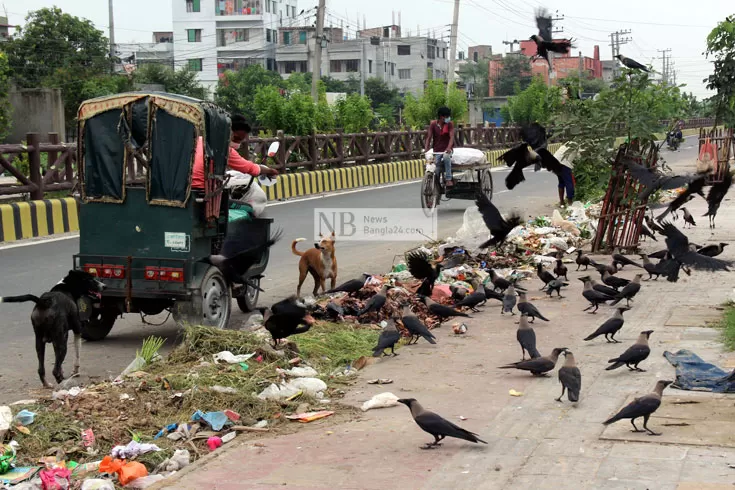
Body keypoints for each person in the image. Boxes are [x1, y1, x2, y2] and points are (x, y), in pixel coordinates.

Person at [192, 114, 279, 189]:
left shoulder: (199, 140)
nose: (237, 143)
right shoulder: (224, 150)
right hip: (203, 189)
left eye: (240, 140)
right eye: (236, 138)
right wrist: (271, 171)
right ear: (227, 132)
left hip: (187, 188)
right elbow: (250, 168)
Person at [424, 106, 455, 187]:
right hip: (436, 150)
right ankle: (434, 182)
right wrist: (426, 149)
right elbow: (428, 137)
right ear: (442, 117)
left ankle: (448, 179)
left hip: (447, 150)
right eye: (447, 116)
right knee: (434, 165)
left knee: (446, 157)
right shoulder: (433, 124)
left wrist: (448, 148)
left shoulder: (450, 124)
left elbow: (451, 137)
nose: (448, 118)